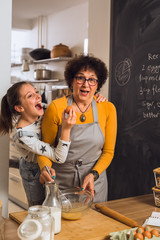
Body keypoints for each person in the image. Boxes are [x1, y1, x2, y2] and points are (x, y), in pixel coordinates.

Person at [37, 55, 117, 203]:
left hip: (94, 183)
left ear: (98, 84)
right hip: (61, 183)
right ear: (71, 81)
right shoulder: (56, 108)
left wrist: (93, 174)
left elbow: (108, 152)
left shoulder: (107, 108)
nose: (86, 84)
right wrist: (45, 169)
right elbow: (45, 149)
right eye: (80, 78)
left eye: (92, 79)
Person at [0, 81, 76, 206]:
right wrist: (66, 129)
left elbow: (65, 106)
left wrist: (94, 98)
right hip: (32, 171)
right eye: (30, 96)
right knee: (38, 208)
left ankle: (14, 163)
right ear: (19, 108)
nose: (38, 96)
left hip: (46, 161)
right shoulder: (23, 135)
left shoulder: (43, 109)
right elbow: (59, 157)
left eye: (36, 92)